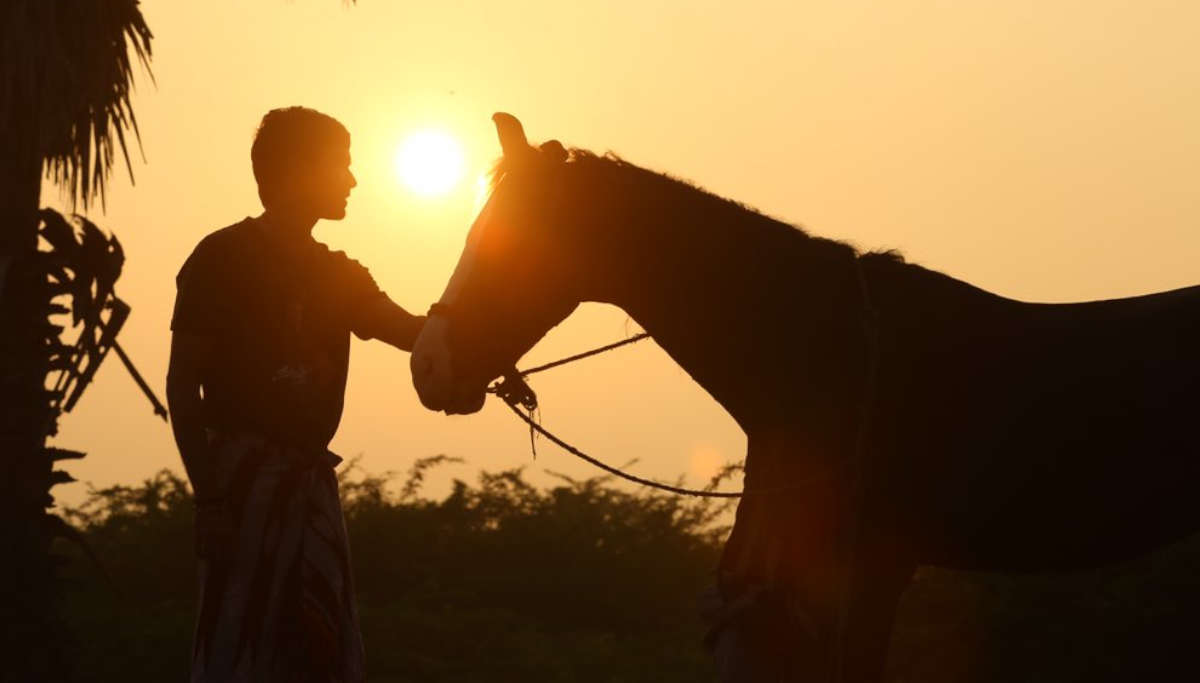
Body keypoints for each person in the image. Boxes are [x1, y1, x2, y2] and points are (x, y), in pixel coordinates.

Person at [166, 106, 425, 683]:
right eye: (342, 165)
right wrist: (208, 501)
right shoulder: (221, 257)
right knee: (240, 651)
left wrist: (481, 341)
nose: (353, 181)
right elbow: (183, 386)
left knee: (318, 653)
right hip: (237, 487)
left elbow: (412, 333)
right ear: (298, 170)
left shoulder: (339, 275)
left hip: (309, 490)